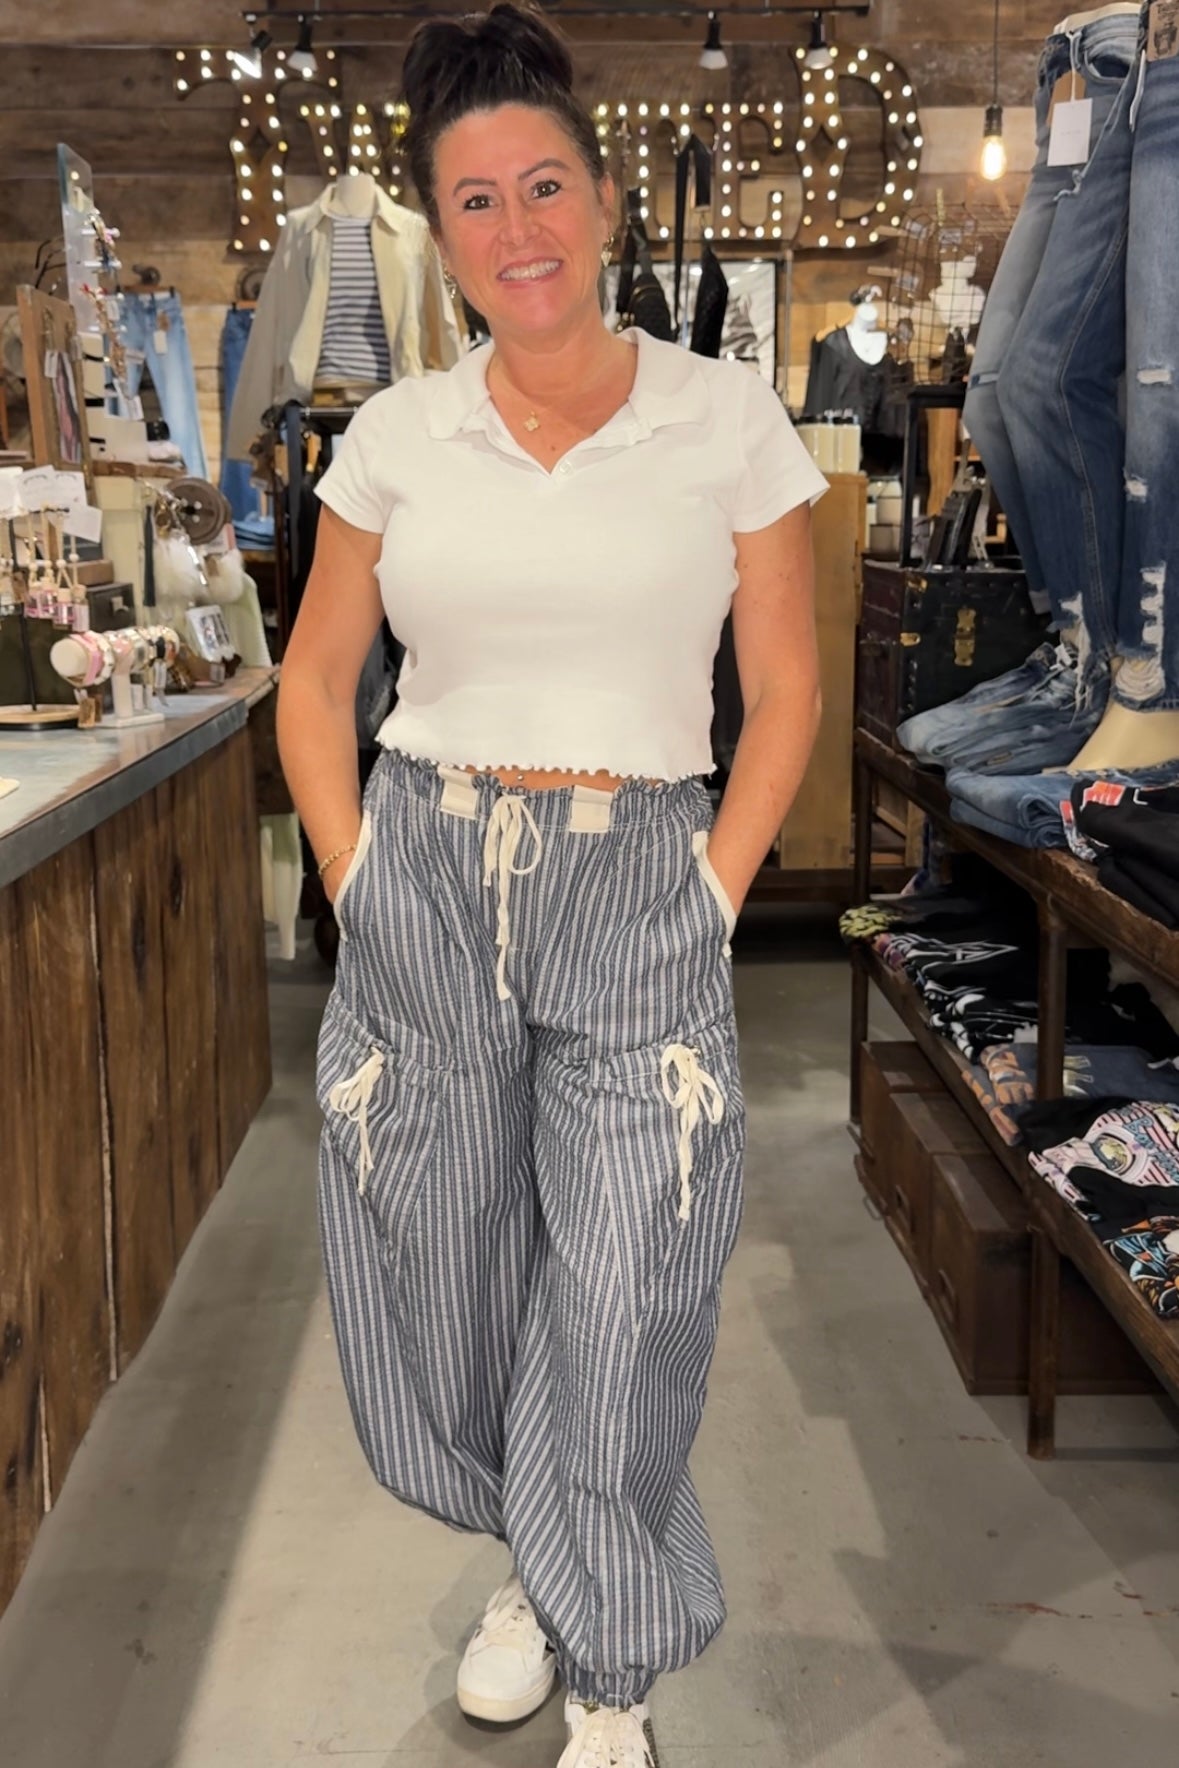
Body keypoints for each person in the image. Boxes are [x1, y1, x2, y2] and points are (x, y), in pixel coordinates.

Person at [276, 6, 825, 1763]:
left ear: (597, 199)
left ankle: (614, 1674)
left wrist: (720, 887)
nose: (521, 230)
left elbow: (788, 685)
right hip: (429, 864)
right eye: (479, 203)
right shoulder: (398, 440)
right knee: (446, 1274)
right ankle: (544, 1556)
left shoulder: (723, 418)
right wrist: (362, 881)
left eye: (546, 186)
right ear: (445, 240)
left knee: (626, 1278)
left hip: (636, 879)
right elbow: (312, 685)